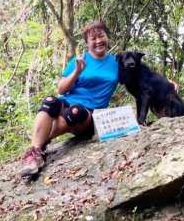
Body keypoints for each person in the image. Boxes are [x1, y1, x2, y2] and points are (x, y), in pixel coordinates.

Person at [20, 20, 118, 176]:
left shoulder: (116, 62)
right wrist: (77, 71)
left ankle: (42, 141)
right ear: (87, 43)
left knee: (75, 111)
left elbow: (141, 75)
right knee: (50, 102)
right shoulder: (79, 60)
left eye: (101, 36)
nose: (98, 41)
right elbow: (61, 88)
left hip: (89, 115)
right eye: (93, 38)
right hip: (66, 102)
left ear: (107, 37)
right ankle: (34, 154)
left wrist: (166, 83)